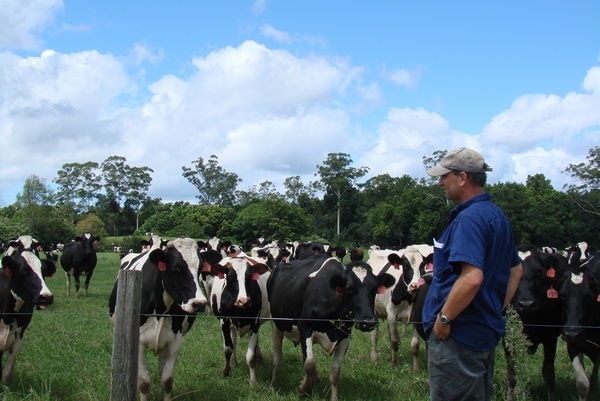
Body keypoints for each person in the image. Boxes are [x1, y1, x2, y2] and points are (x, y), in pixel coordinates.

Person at [422, 147, 523, 401]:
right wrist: (495, 309)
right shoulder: (496, 215)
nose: (439, 182)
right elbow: (516, 270)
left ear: (463, 178)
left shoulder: (470, 220)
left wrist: (444, 320)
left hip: (458, 337)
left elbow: (472, 277)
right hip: (482, 332)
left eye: (444, 176)